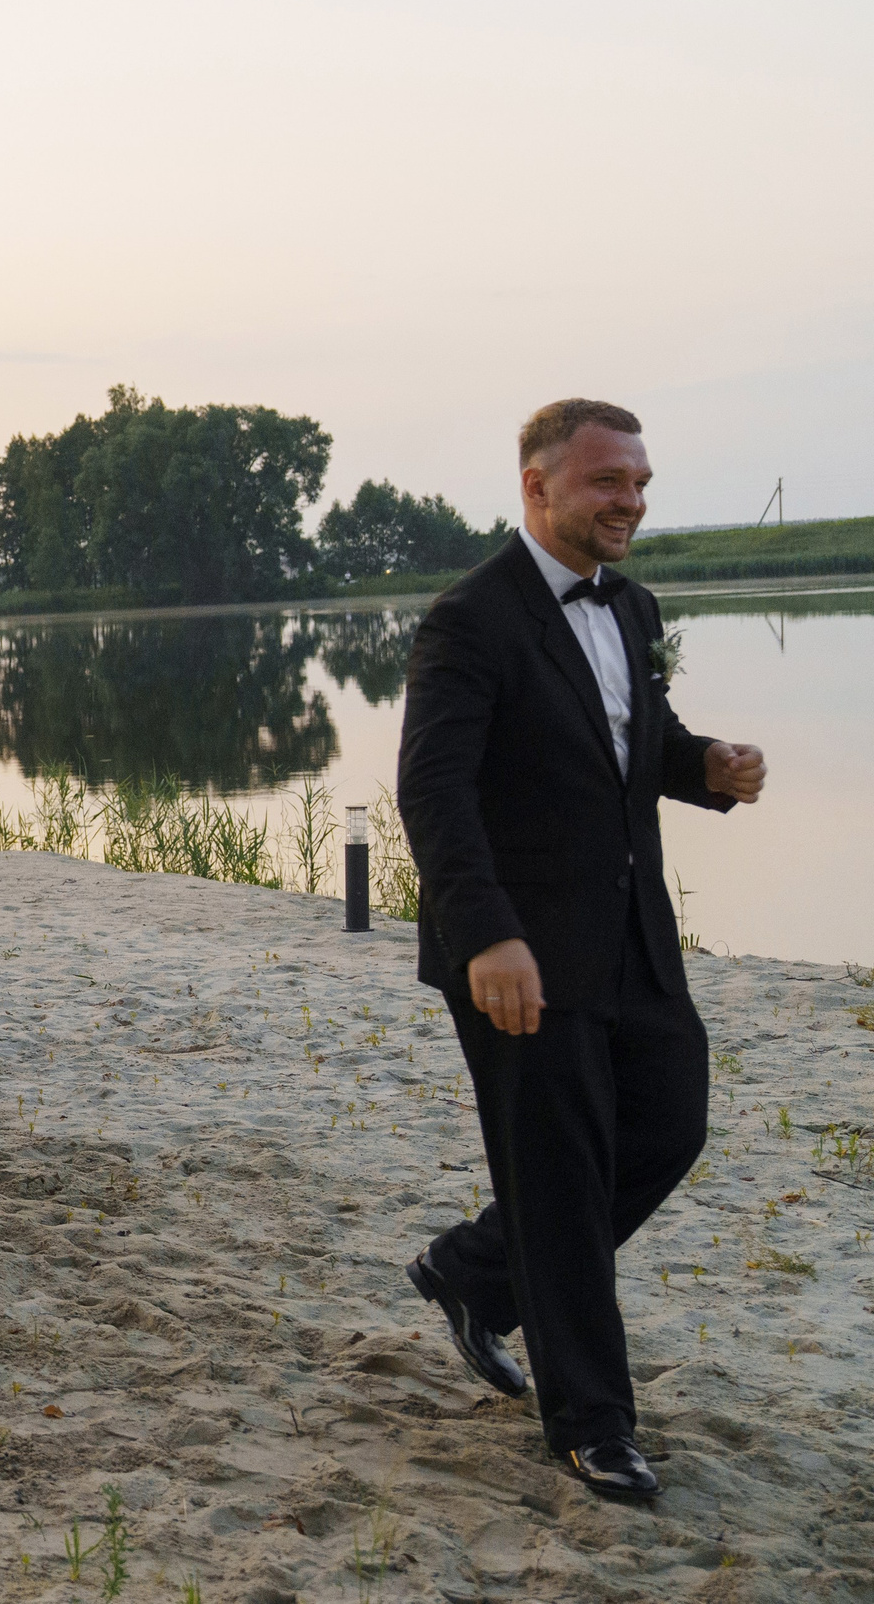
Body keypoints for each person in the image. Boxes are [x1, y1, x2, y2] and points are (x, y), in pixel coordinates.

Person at [397, 399, 767, 1502]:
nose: (631, 502)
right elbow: (434, 791)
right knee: (558, 1181)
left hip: (630, 938)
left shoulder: (632, 603)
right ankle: (592, 1423)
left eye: (640, 483)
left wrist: (703, 763)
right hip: (515, 954)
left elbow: (621, 744)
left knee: (669, 1119)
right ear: (539, 486)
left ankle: (471, 1268)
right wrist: (488, 935)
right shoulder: (468, 619)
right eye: (609, 482)